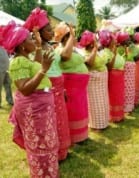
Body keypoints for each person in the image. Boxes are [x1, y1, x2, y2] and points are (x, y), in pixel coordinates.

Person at [1, 21, 59, 177]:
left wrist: (39, 46)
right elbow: (25, 89)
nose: (34, 41)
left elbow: (37, 64)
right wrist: (44, 70)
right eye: (30, 39)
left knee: (46, 142)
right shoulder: (18, 62)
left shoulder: (26, 59)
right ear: (21, 45)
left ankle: (49, 172)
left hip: (41, 108)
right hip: (34, 111)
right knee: (40, 144)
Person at [23, 7, 71, 161]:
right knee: (51, 122)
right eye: (48, 30)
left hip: (58, 87)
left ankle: (62, 150)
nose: (52, 32)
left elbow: (57, 65)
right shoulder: (34, 48)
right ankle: (53, 153)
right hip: (47, 89)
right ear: (39, 32)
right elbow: (36, 68)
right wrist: (37, 43)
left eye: (51, 29)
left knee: (61, 118)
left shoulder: (50, 45)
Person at [54, 22, 90, 143]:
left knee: (81, 109)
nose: (74, 37)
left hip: (80, 88)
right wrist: (71, 38)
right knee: (74, 110)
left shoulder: (75, 49)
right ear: (64, 37)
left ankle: (82, 135)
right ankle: (74, 136)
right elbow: (65, 56)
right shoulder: (59, 49)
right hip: (71, 87)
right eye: (70, 35)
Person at [80, 30, 115, 130]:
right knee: (96, 104)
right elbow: (89, 63)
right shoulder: (85, 53)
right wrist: (95, 49)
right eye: (95, 41)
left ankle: (103, 123)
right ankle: (96, 126)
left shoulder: (96, 51)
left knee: (102, 103)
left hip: (101, 83)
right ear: (91, 44)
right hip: (94, 84)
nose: (97, 42)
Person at [107, 31, 126, 122]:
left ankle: (120, 114)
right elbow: (110, 67)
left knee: (119, 96)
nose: (115, 42)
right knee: (114, 96)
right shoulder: (107, 52)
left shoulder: (116, 50)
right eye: (113, 40)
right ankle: (113, 116)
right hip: (113, 77)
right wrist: (114, 53)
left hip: (120, 77)